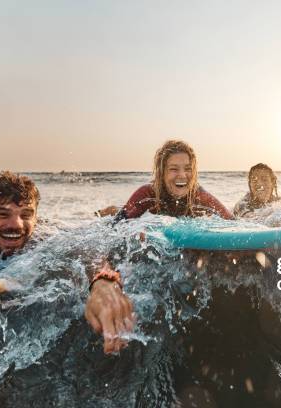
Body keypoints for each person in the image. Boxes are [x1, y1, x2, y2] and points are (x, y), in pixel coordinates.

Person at [85, 140, 233, 354]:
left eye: (188, 169)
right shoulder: (146, 194)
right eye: (173, 169)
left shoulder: (200, 196)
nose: (182, 176)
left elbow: (234, 225)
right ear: (161, 173)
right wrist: (103, 279)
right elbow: (109, 237)